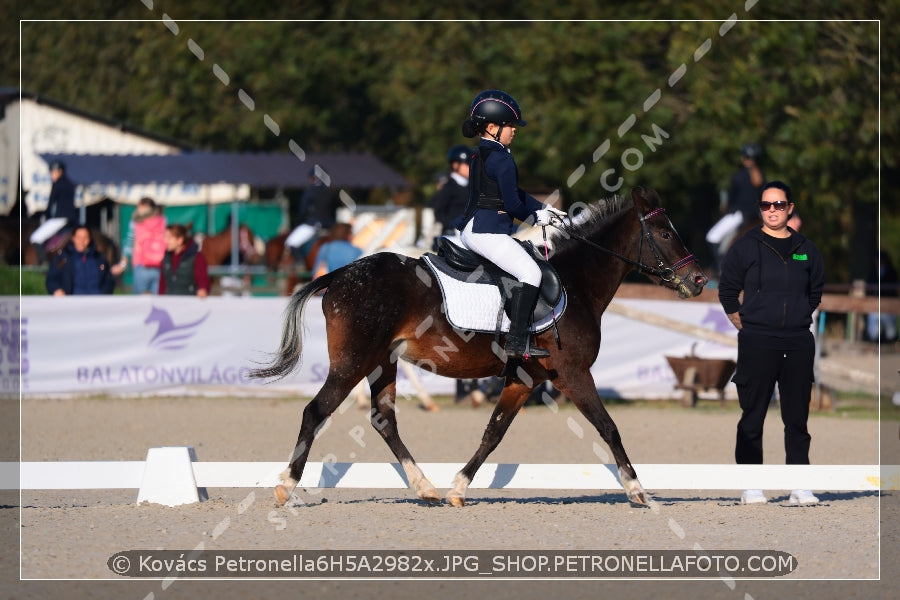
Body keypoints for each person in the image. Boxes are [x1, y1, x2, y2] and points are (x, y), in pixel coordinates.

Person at [717, 180, 825, 505]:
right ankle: (752, 485)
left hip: (797, 343)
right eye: (766, 205)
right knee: (753, 415)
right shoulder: (745, 246)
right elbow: (727, 293)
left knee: (797, 419)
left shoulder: (807, 247)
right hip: (757, 342)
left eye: (779, 204)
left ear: (790, 208)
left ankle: (799, 486)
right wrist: (748, 326)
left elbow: (815, 292)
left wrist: (796, 316)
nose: (773, 210)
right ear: (760, 209)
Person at [457, 89, 565, 361]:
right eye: (509, 125)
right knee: (531, 273)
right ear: (492, 127)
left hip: (471, 229)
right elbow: (514, 204)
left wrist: (543, 208)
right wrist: (536, 217)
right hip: (488, 232)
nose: (514, 130)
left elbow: (512, 194)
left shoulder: (479, 153)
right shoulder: (503, 158)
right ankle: (517, 341)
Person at [706, 144, 766, 273]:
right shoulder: (762, 176)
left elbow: (731, 200)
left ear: (743, 158)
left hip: (739, 215)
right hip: (758, 216)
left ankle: (721, 271)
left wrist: (725, 208)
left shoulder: (738, 176)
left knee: (712, 237)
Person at [111, 197, 167, 293]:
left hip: (141, 265)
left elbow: (129, 245)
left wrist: (122, 265)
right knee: (158, 302)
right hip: (160, 265)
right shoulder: (162, 220)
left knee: (141, 303)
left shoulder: (136, 222)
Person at [29, 160, 79, 262]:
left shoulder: (57, 184)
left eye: (53, 172)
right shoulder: (70, 183)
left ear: (60, 172)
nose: (52, 175)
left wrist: (45, 215)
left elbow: (51, 202)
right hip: (72, 218)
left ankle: (42, 261)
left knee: (35, 238)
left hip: (60, 218)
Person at [45, 225, 116, 296]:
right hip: (72, 301)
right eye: (78, 238)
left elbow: (108, 279)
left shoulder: (99, 258)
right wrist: (56, 289)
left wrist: (104, 294)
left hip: (97, 301)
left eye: (85, 238)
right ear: (73, 238)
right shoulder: (62, 258)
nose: (82, 241)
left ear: (90, 239)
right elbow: (52, 279)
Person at [430, 145, 471, 239]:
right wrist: (453, 226)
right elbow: (439, 213)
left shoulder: (472, 186)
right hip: (452, 233)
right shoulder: (448, 187)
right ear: (456, 165)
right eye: (468, 163)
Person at [159, 224, 210, 297]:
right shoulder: (166, 258)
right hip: (169, 304)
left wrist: (203, 289)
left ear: (180, 240)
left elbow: (203, 280)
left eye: (169, 238)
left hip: (189, 303)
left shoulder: (197, 257)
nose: (165, 241)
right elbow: (162, 284)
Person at [866, 249, 898, 343]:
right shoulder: (872, 273)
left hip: (888, 305)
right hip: (875, 304)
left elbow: (893, 290)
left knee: (890, 328)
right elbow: (869, 289)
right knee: (873, 325)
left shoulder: (891, 273)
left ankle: (890, 341)